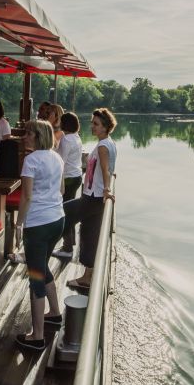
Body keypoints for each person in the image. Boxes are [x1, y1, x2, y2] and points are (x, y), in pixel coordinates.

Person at [15, 119, 65, 352]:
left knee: (35, 277)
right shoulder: (57, 158)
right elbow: (62, 190)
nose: (25, 136)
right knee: (42, 267)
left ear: (37, 136)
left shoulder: (31, 160)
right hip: (58, 219)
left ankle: (37, 336)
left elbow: (26, 198)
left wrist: (18, 224)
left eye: (28, 133)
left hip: (37, 224)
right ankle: (54, 313)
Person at [64, 108, 117, 290]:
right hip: (93, 196)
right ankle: (88, 276)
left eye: (96, 124)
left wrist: (107, 189)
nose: (92, 126)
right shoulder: (108, 143)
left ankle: (48, 251)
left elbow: (105, 169)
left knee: (62, 213)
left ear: (105, 127)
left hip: (94, 197)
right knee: (89, 234)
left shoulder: (102, 146)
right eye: (92, 123)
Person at [52, 112, 83, 259]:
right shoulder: (76, 137)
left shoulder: (66, 140)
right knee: (69, 211)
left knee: (65, 212)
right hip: (76, 176)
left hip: (68, 178)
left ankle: (67, 247)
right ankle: (70, 243)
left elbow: (60, 162)